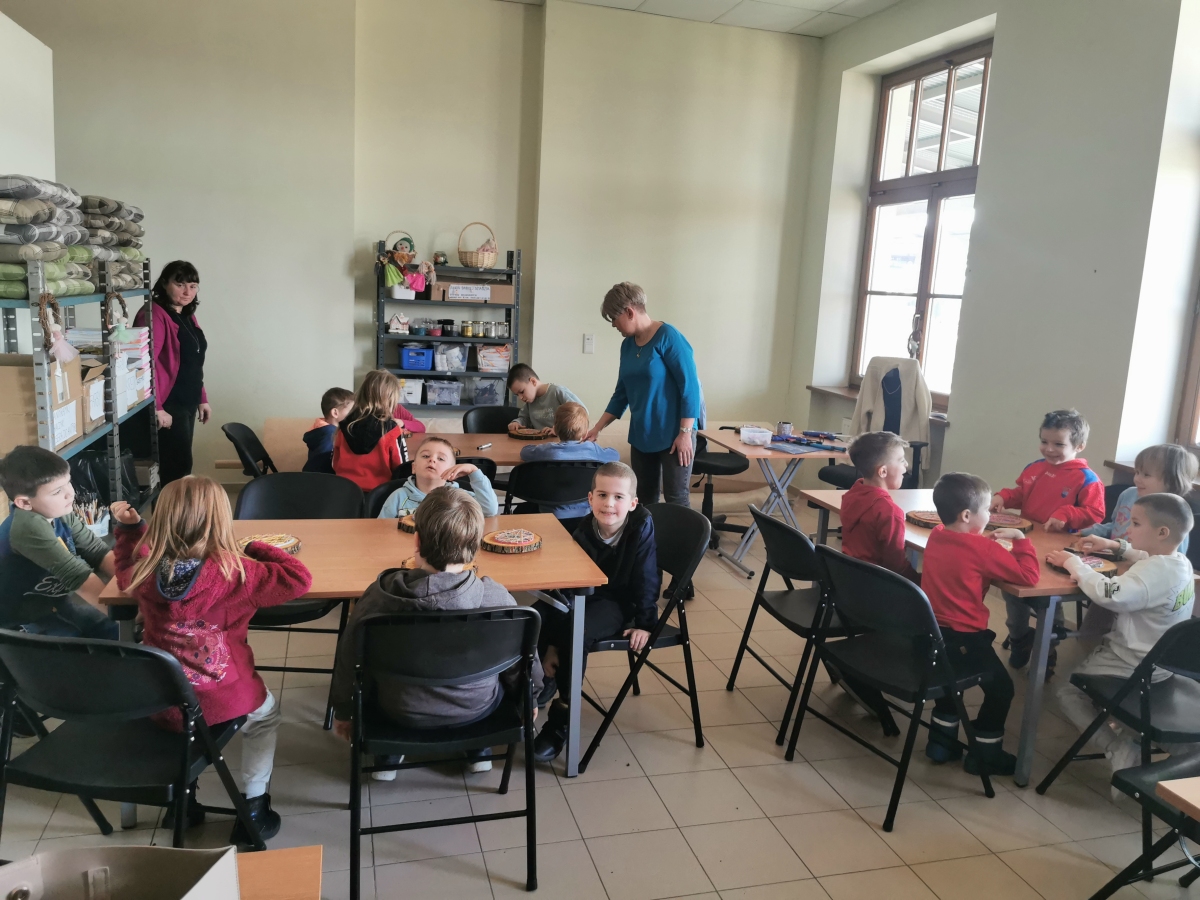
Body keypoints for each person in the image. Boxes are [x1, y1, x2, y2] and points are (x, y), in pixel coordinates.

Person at [110, 476, 312, 846]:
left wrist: (130, 530)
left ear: (162, 520)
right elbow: (298, 579)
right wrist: (259, 547)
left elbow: (123, 563)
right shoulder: (240, 572)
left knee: (185, 729)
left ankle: (184, 804)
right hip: (225, 696)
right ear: (222, 520)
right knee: (265, 718)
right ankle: (253, 808)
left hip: (163, 699)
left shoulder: (145, 570)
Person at [331, 487, 542, 778]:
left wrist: (344, 712)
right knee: (503, 673)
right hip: (477, 710)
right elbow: (525, 666)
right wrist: (532, 698)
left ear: (416, 540)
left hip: (399, 710)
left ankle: (388, 752)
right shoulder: (498, 599)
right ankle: (478, 748)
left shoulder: (379, 599)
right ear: (476, 546)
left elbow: (348, 661)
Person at [1046, 493, 1195, 786]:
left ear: (1162, 532)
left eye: (1136, 524)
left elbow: (1110, 594)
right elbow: (1146, 558)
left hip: (1132, 664)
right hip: (1162, 666)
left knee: (1069, 693)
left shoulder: (1153, 574)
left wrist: (1074, 564)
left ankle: (1117, 748)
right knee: (1122, 705)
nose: (1128, 529)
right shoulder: (1179, 563)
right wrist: (1116, 546)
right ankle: (1179, 750)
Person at [532, 462, 660, 762]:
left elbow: (647, 578)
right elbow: (569, 583)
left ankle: (561, 721)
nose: (609, 504)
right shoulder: (584, 529)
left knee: (578, 630)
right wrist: (552, 642)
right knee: (536, 615)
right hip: (585, 593)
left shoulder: (640, 527)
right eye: (602, 495)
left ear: (632, 503)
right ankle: (540, 681)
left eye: (618, 497)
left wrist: (645, 623)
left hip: (620, 602)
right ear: (590, 498)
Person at [921, 473, 1040, 775]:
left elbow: (963, 551)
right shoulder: (984, 550)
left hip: (932, 635)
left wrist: (982, 541)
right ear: (966, 515)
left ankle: (940, 744)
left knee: (951, 682)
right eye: (987, 510)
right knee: (1001, 690)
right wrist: (1022, 541)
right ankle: (985, 755)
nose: (990, 516)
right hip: (966, 638)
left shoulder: (936, 534)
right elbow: (1028, 577)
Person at [993, 409, 1104, 675]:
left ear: (1079, 446)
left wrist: (1066, 513)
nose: (1049, 449)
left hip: (1059, 549)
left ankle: (1048, 649)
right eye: (1044, 441)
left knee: (1047, 599)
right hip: (1024, 542)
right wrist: (1003, 497)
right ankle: (1020, 639)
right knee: (1013, 590)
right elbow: (1021, 493)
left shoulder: (1087, 478)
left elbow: (1095, 513)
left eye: (1058, 444)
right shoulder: (1035, 467)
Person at [585, 283, 702, 507]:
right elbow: (621, 393)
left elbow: (690, 388)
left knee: (676, 499)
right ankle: (647, 533)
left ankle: (680, 534)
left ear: (629, 312)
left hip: (674, 435)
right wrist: (596, 428)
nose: (613, 325)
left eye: (614, 318)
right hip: (642, 435)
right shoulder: (627, 346)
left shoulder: (669, 337)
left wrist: (686, 433)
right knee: (643, 501)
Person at [0, 445, 118, 640]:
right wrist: (132, 615)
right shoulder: (27, 527)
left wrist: (136, 586)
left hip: (54, 606)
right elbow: (78, 577)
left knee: (114, 630)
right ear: (25, 503)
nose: (70, 493)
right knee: (101, 646)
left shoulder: (59, 511)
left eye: (68, 482)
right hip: (18, 622)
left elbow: (97, 551)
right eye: (57, 491)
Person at [137, 261, 211, 485]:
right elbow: (145, 364)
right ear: (164, 284)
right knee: (176, 469)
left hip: (188, 401)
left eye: (193, 286)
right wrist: (157, 407)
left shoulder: (187, 315)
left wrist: (202, 398)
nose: (188, 292)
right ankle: (172, 509)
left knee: (183, 465)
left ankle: (179, 507)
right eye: (180, 285)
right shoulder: (154, 314)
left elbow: (193, 361)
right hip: (169, 403)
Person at [517, 402, 619, 521]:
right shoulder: (593, 450)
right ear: (586, 433)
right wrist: (590, 445)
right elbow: (615, 455)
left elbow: (525, 452)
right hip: (585, 515)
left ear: (555, 429)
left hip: (548, 512)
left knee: (519, 510)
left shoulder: (547, 450)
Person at [840, 431, 920, 582]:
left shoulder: (851, 495)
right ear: (883, 471)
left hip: (848, 579)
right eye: (901, 460)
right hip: (876, 585)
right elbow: (896, 565)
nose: (906, 465)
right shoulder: (889, 512)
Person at [377, 436, 498, 518]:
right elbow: (381, 531)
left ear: (452, 470)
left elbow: (489, 510)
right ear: (414, 467)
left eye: (441, 458)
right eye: (425, 456)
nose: (432, 460)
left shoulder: (459, 497)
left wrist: (474, 471)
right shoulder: (398, 497)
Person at [333, 370, 406, 491]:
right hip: (379, 493)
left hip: (344, 491)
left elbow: (335, 463)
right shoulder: (392, 429)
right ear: (391, 399)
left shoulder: (344, 425)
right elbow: (401, 468)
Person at [506, 363, 583, 434]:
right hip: (540, 441)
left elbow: (581, 413)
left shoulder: (557, 392)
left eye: (522, 392)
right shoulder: (529, 402)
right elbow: (525, 418)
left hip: (561, 441)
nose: (520, 397)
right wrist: (517, 423)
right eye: (517, 395)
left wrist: (558, 430)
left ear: (533, 381)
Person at [303, 387, 354, 474]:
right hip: (325, 480)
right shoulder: (330, 434)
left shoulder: (321, 430)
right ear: (335, 413)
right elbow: (321, 464)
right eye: (351, 411)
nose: (355, 414)